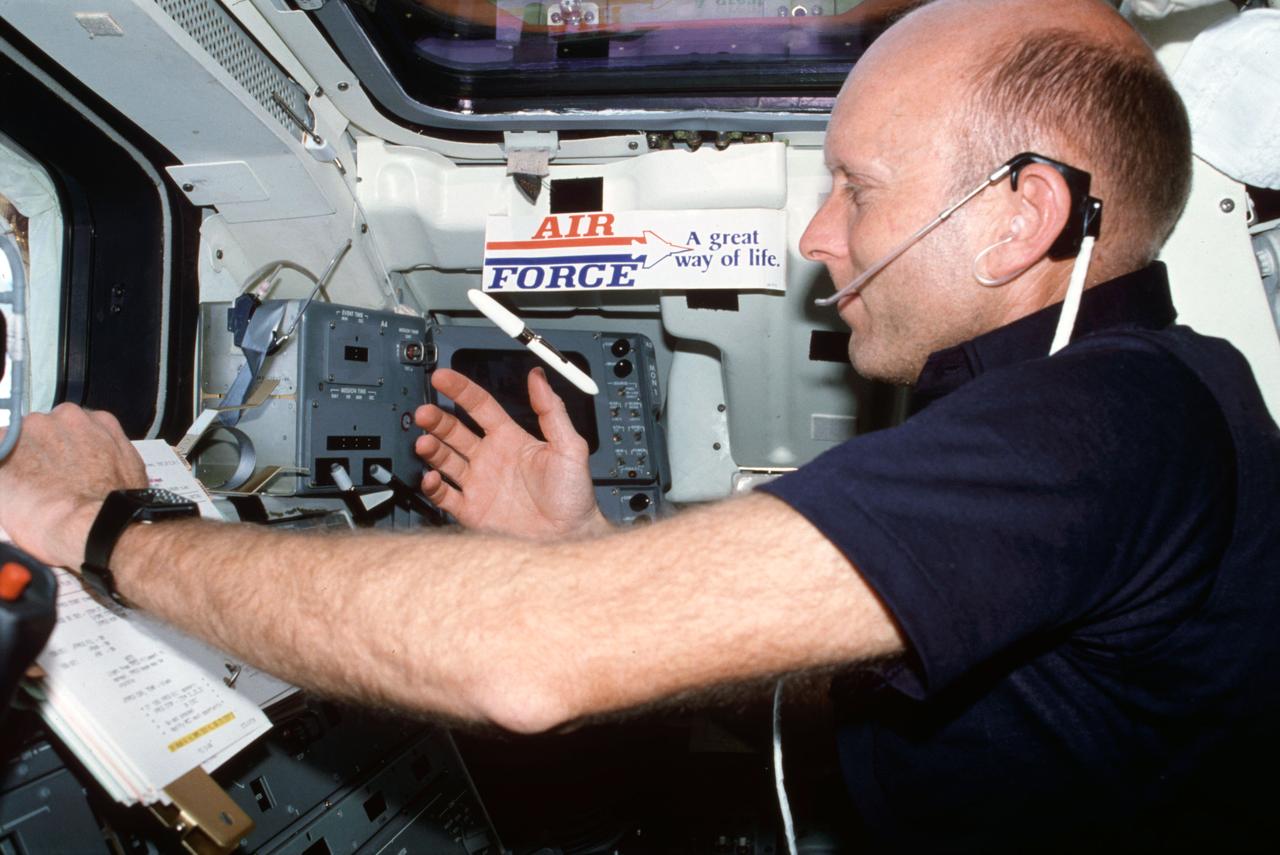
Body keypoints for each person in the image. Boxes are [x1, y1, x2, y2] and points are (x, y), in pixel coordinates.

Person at [2, 0, 1278, 848]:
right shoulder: (1112, 403)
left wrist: (99, 521)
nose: (815, 234)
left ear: (1019, 217)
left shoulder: (1104, 417)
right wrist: (584, 544)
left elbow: (524, 663)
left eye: (856, 187)